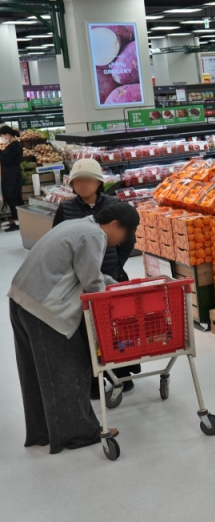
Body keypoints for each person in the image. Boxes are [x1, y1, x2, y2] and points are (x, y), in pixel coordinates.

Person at [8, 202, 139, 454]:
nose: (123, 241)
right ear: (113, 226)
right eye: (126, 233)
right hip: (44, 310)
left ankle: (44, 431)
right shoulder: (95, 235)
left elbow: (87, 273)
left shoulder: (76, 225)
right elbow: (91, 283)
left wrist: (116, 285)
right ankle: (78, 434)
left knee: (36, 373)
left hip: (21, 300)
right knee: (70, 369)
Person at [52, 158, 140, 397]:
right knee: (87, 332)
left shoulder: (113, 205)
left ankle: (122, 374)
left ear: (99, 183)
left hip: (110, 275)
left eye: (87, 180)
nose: (82, 185)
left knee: (118, 328)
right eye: (77, 181)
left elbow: (127, 239)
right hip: (80, 282)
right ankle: (94, 382)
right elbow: (60, 238)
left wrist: (115, 265)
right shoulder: (66, 208)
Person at [0, 124, 24, 232]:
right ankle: (21, 221)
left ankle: (17, 222)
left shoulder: (13, 146)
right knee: (17, 197)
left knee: (11, 198)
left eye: (2, 136)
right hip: (15, 174)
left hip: (11, 175)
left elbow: (7, 160)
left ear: (7, 134)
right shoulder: (17, 145)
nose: (2, 138)